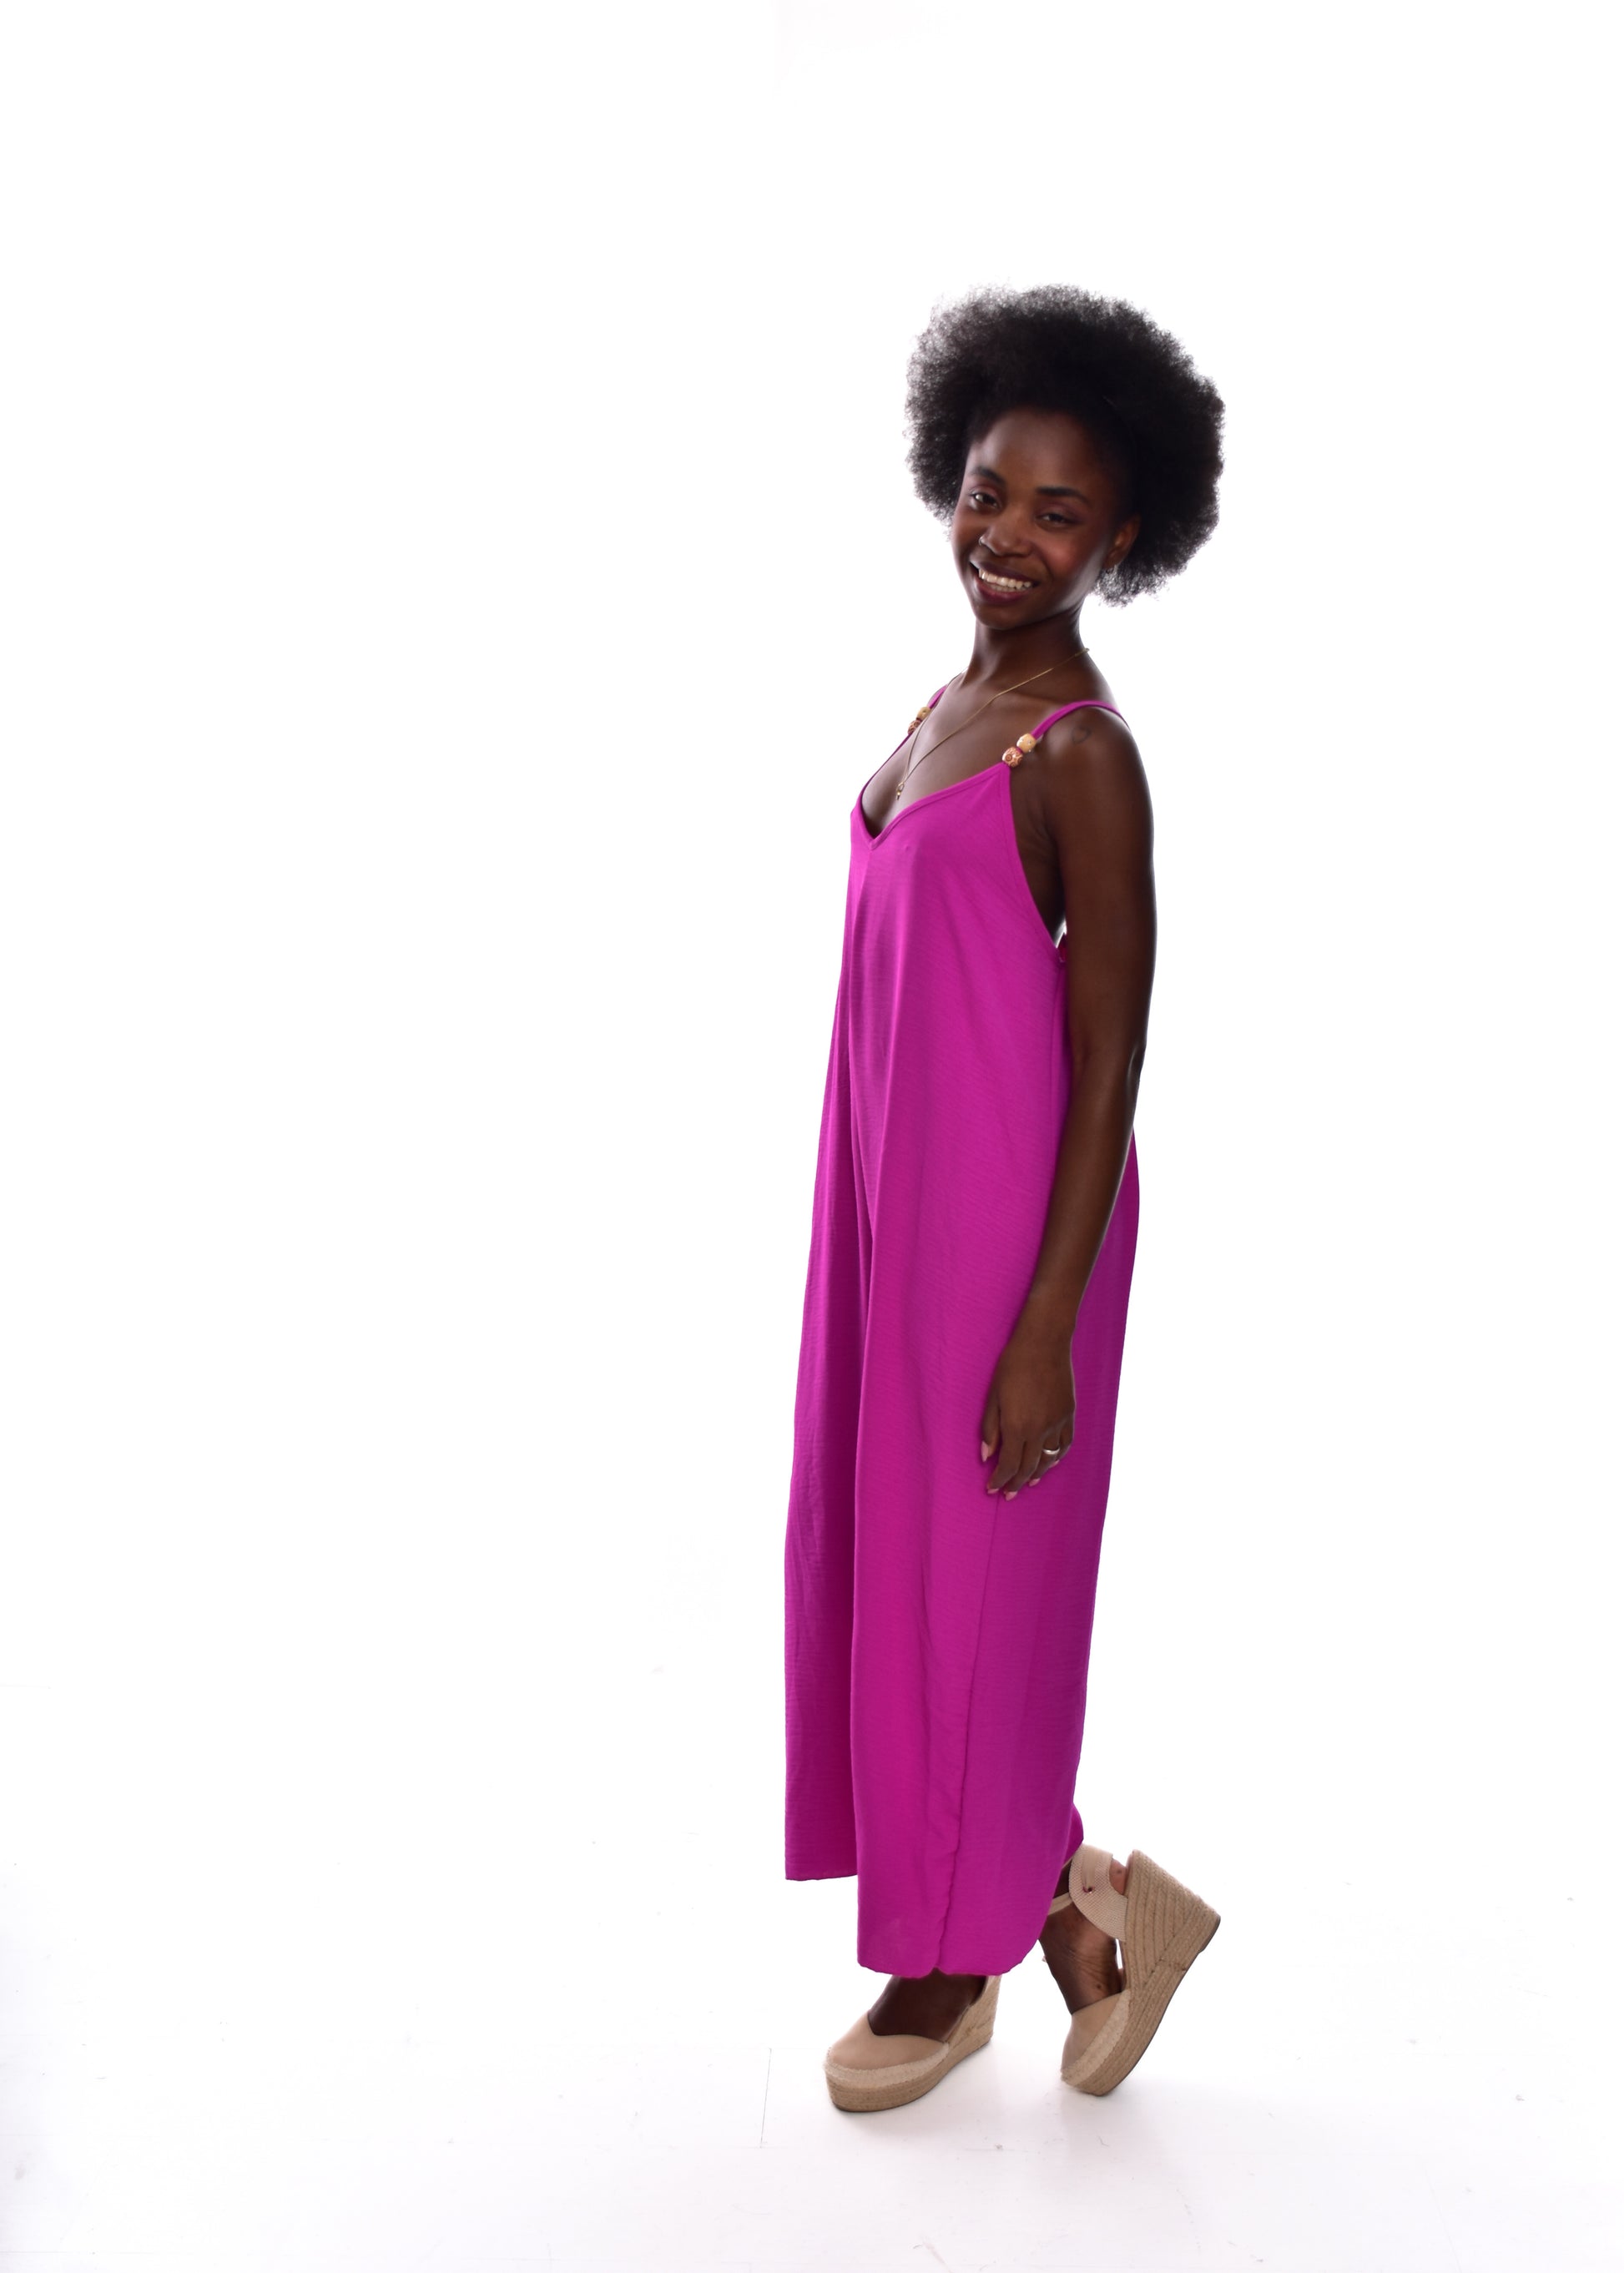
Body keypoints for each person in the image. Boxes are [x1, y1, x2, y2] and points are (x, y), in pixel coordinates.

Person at [782, 285, 1228, 2114]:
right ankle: (1081, 1915)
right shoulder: (952, 704)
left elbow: (1111, 1060)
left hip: (1011, 1232)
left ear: (1124, 536)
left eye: (1059, 512)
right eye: (986, 492)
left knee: (970, 1593)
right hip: (891, 1202)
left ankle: (948, 1963)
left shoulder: (1082, 754)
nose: (1009, 536)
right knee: (895, 1576)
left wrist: (1044, 1325)